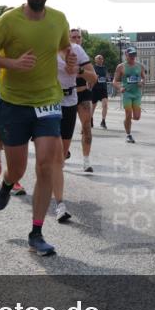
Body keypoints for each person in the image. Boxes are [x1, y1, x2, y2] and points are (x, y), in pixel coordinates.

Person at [0, 0, 72, 256]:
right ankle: (7, 183)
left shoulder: (59, 20)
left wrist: (69, 62)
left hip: (47, 102)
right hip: (13, 102)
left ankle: (36, 232)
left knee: (46, 164)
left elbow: (64, 49)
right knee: (18, 167)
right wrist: (13, 64)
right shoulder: (8, 21)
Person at [53, 35, 96, 220]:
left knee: (60, 155)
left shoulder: (76, 50)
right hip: (47, 101)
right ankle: (60, 204)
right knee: (50, 155)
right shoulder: (46, 45)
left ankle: (85, 160)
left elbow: (93, 76)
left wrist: (77, 69)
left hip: (70, 100)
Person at [70, 29, 97, 172]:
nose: (77, 39)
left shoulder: (83, 55)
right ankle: (63, 150)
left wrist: (86, 75)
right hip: (66, 95)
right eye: (73, 37)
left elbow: (93, 76)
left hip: (83, 94)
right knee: (63, 129)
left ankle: (86, 161)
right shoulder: (63, 54)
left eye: (79, 37)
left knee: (87, 127)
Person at [113, 47, 145, 143]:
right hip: (127, 93)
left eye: (134, 54)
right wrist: (120, 88)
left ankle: (127, 121)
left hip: (137, 94)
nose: (132, 56)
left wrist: (142, 82)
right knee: (128, 114)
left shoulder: (140, 66)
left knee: (136, 117)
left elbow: (144, 78)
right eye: (130, 54)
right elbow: (114, 81)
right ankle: (128, 134)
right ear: (126, 55)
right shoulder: (121, 67)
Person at [90, 54, 110, 129]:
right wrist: (94, 77)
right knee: (93, 106)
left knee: (105, 105)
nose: (100, 60)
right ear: (95, 60)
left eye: (101, 58)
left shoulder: (104, 68)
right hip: (95, 89)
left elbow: (107, 76)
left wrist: (107, 77)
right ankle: (91, 119)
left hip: (103, 89)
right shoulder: (93, 68)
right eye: (99, 58)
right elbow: (90, 77)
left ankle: (103, 121)